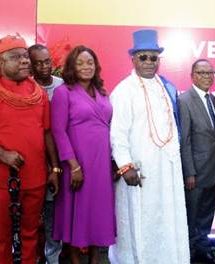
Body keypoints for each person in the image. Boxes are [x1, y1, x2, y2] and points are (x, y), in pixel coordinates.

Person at [109, 29, 189, 263]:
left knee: (167, 218)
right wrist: (125, 166)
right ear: (133, 59)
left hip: (168, 170)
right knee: (140, 220)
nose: (149, 62)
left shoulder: (165, 87)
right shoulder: (124, 90)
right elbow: (117, 133)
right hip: (139, 169)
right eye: (143, 57)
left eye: (154, 57)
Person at [50, 45, 115, 264]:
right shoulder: (63, 92)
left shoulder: (102, 92)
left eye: (90, 62)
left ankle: (96, 260)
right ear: (71, 67)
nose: (86, 67)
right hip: (77, 163)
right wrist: (73, 165)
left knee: (98, 214)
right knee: (75, 215)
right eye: (80, 63)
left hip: (101, 164)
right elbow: (58, 131)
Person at [0, 34, 60, 263]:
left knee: (31, 234)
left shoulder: (39, 94)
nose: (24, 61)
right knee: (2, 237)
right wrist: (3, 154)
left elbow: (47, 133)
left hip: (35, 179)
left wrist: (54, 169)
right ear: (1, 63)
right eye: (16, 57)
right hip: (4, 181)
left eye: (25, 57)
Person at [178, 59, 215, 264]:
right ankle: (188, 255)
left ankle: (203, 252)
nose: (207, 77)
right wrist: (189, 172)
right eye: (201, 73)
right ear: (192, 75)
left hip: (212, 171)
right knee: (192, 216)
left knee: (206, 216)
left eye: (210, 73)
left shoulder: (214, 100)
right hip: (195, 173)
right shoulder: (184, 100)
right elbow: (185, 139)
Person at [28, 43, 65, 264]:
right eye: (38, 62)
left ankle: (52, 257)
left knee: (52, 214)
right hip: (32, 161)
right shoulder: (27, 88)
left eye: (47, 61)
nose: (43, 66)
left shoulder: (62, 86)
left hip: (58, 160)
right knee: (30, 215)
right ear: (30, 65)